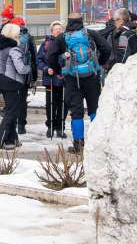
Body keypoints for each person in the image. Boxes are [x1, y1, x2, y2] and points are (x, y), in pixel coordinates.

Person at [45, 13, 111, 154]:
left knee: (76, 112)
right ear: (81, 21)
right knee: (94, 109)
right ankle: (97, 143)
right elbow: (107, 48)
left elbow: (50, 56)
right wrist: (98, 64)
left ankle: (78, 144)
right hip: (92, 76)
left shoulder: (62, 38)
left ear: (68, 22)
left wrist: (59, 70)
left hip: (72, 79)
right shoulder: (91, 34)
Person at [0, 23, 33, 149]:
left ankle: (12, 140)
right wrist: (29, 67)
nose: (20, 36)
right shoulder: (14, 50)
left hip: (2, 79)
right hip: (13, 82)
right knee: (11, 112)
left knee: (12, 111)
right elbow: (21, 69)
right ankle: (0, 140)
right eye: (18, 33)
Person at [38, 21, 67, 139]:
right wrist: (46, 69)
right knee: (50, 104)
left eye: (60, 29)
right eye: (56, 29)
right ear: (52, 31)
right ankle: (50, 127)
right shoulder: (46, 43)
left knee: (63, 104)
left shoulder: (66, 43)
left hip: (64, 78)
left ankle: (60, 127)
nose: (59, 31)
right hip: (50, 78)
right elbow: (39, 59)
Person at [11, 16, 37, 135]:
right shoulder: (29, 37)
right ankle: (21, 125)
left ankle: (12, 123)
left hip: (10, 73)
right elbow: (34, 58)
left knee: (12, 100)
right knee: (22, 100)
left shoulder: (8, 36)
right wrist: (34, 76)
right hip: (25, 73)